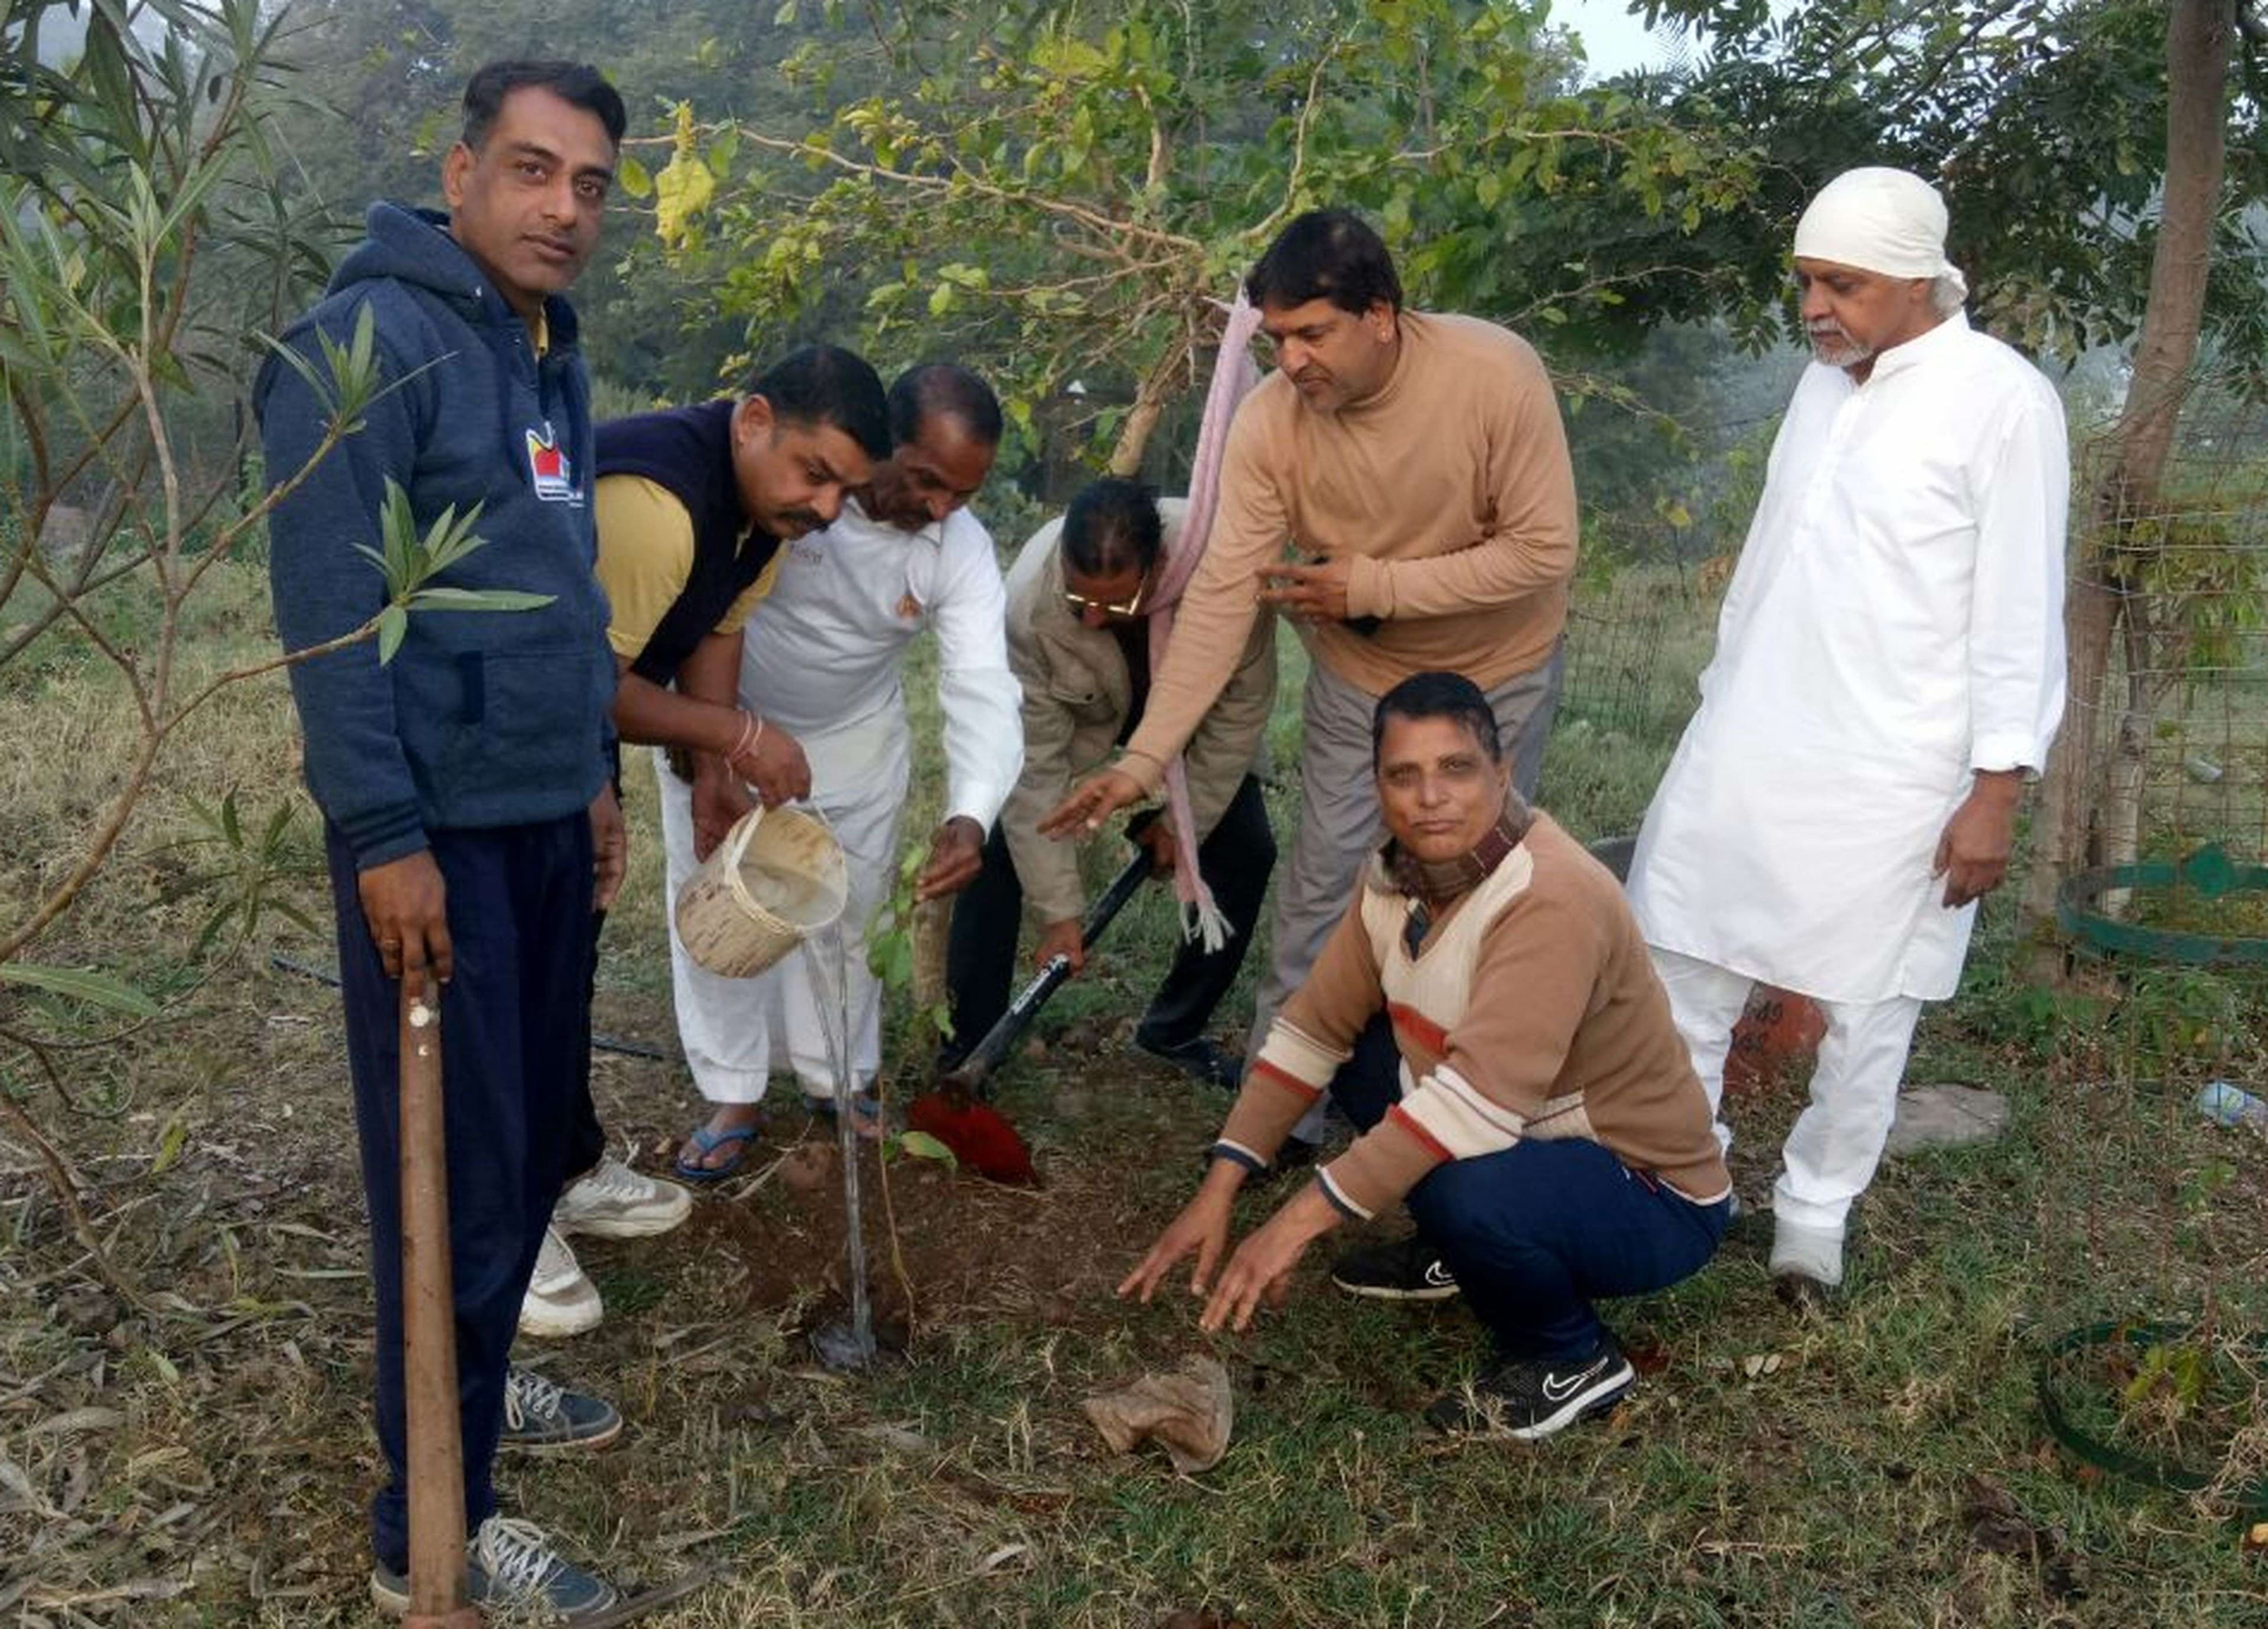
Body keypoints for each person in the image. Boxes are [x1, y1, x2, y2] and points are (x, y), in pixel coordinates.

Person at [258, 61, 633, 1620]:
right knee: (458, 1178)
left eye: (591, 185)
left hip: (551, 820)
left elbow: (564, 581)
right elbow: (331, 621)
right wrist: (383, 833)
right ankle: (432, 1510)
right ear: (461, 171)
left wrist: (595, 767)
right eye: (535, 172)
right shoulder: (361, 345)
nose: (563, 209)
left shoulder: (549, 349)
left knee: (532, 1141)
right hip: (441, 851)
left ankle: (470, 1390)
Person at [1042, 210, 1578, 1184]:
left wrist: (1372, 587)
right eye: (1276, 337)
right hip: (1358, 683)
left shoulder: (1496, 374)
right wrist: (1140, 760)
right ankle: (1280, 1111)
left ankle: (1471, 1103)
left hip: (1499, 676)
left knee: (1478, 889)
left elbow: (1544, 550)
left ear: (1381, 315)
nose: (1290, 360)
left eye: (1311, 334)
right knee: (1325, 892)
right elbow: (1214, 604)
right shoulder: (1269, 426)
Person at [1625, 166, 2069, 1306]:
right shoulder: (1820, 385)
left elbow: (2019, 609)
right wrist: (1721, 696)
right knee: (1681, 953)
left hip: (1899, 767)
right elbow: (1772, 557)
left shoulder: (2003, 399)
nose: (1815, 307)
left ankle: (1814, 1215)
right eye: (1807, 282)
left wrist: (1997, 789)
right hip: (1755, 728)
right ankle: (1688, 1176)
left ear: (1918, 281)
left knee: (1869, 1015)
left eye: (1843, 283)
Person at [1122, 673, 1729, 1437]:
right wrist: (1220, 1185)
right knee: (1361, 1054)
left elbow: (1474, 1104)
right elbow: (1312, 1028)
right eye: (1403, 774)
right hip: (1532, 1136)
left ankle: (1570, 1354)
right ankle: (1460, 1254)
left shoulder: (1552, 894)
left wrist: (1296, 1221)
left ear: (1502, 774)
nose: (1429, 796)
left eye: (1456, 768)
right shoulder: (1392, 877)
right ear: (1376, 785)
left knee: (1463, 1177)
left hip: (1650, 1194)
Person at [517, 344, 892, 1332]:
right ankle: (507, 1225)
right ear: (754, 420)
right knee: (515, 965)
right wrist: (742, 736)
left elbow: (717, 627)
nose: (826, 509)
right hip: (503, 729)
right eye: (816, 474)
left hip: (567, 740)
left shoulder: (756, 514)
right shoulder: (658, 509)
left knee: (571, 950)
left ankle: (565, 1164)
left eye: (847, 491)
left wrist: (709, 779)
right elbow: (587, 681)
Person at [670, 364, 1023, 1177]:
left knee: (850, 914)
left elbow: (980, 683)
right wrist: (713, 742)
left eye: (960, 495)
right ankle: (734, 1092)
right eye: (926, 479)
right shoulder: (796, 490)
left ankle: (837, 1081)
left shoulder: (959, 549)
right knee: (721, 904)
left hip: (855, 739)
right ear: (880, 445)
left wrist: (970, 813)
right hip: (725, 718)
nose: (938, 508)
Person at [945, 478, 1277, 1090]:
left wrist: (1183, 824)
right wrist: (1060, 915)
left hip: (1196, 712)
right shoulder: (1028, 606)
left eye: (1115, 606)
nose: (1093, 617)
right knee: (996, 847)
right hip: (1087, 714)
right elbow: (1036, 767)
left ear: (1158, 568)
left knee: (1246, 851)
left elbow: (1237, 714)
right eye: (1080, 602)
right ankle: (970, 1047)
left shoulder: (1227, 568)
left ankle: (1173, 1030)